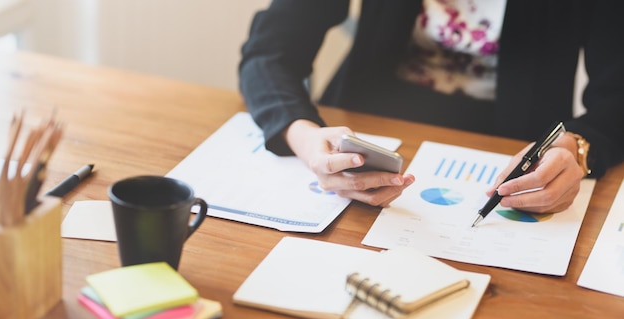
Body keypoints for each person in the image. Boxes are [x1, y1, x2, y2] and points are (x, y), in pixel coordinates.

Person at [238, 0, 624, 211]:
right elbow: (269, 53)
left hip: (514, 145)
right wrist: (304, 137)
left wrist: (577, 146)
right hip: (365, 120)